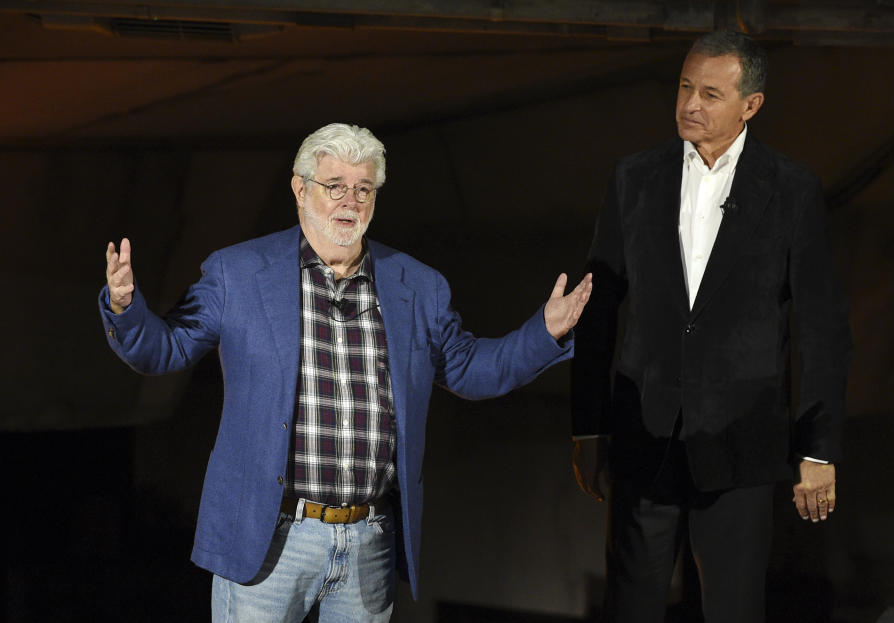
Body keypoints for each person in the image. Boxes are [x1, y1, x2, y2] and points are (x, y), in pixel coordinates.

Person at [101, 123, 592, 622]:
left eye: (363, 189)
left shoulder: (418, 286)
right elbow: (166, 349)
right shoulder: (238, 273)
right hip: (269, 538)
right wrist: (125, 308)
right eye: (335, 185)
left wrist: (544, 332)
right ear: (300, 188)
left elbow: (467, 370)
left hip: (367, 541)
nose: (350, 201)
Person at [570, 31, 850, 622]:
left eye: (711, 94)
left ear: (751, 105)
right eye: (685, 87)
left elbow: (822, 324)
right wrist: (589, 427)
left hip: (741, 441)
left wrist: (818, 450)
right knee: (631, 606)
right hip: (644, 434)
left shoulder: (791, 188)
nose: (691, 104)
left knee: (732, 609)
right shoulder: (633, 178)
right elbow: (598, 306)